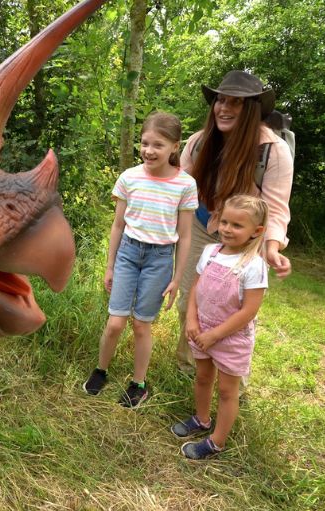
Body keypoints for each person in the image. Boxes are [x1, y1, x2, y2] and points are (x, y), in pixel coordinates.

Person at [175, 70, 294, 378]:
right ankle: (191, 369)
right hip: (203, 226)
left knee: (233, 307)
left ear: (252, 109)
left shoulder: (272, 151)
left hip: (246, 238)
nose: (223, 109)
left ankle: (230, 376)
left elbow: (276, 207)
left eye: (235, 103)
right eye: (220, 100)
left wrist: (271, 248)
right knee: (191, 297)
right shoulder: (200, 141)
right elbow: (180, 185)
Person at [83, 112, 197, 407]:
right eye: (144, 143)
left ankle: (138, 384)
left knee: (141, 325)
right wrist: (109, 266)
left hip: (160, 259)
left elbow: (185, 236)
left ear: (175, 146)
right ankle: (101, 370)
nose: (148, 150)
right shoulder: (129, 177)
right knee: (116, 323)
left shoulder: (185, 185)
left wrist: (176, 278)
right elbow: (118, 225)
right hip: (128, 254)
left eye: (158, 145)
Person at [171, 195, 269, 459]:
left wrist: (216, 334)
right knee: (202, 377)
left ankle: (217, 441)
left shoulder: (254, 265)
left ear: (256, 231)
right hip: (201, 331)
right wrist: (192, 320)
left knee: (227, 391)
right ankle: (201, 419)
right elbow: (195, 288)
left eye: (237, 225)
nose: (227, 229)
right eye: (224, 222)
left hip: (229, 338)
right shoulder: (210, 252)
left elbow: (249, 310)